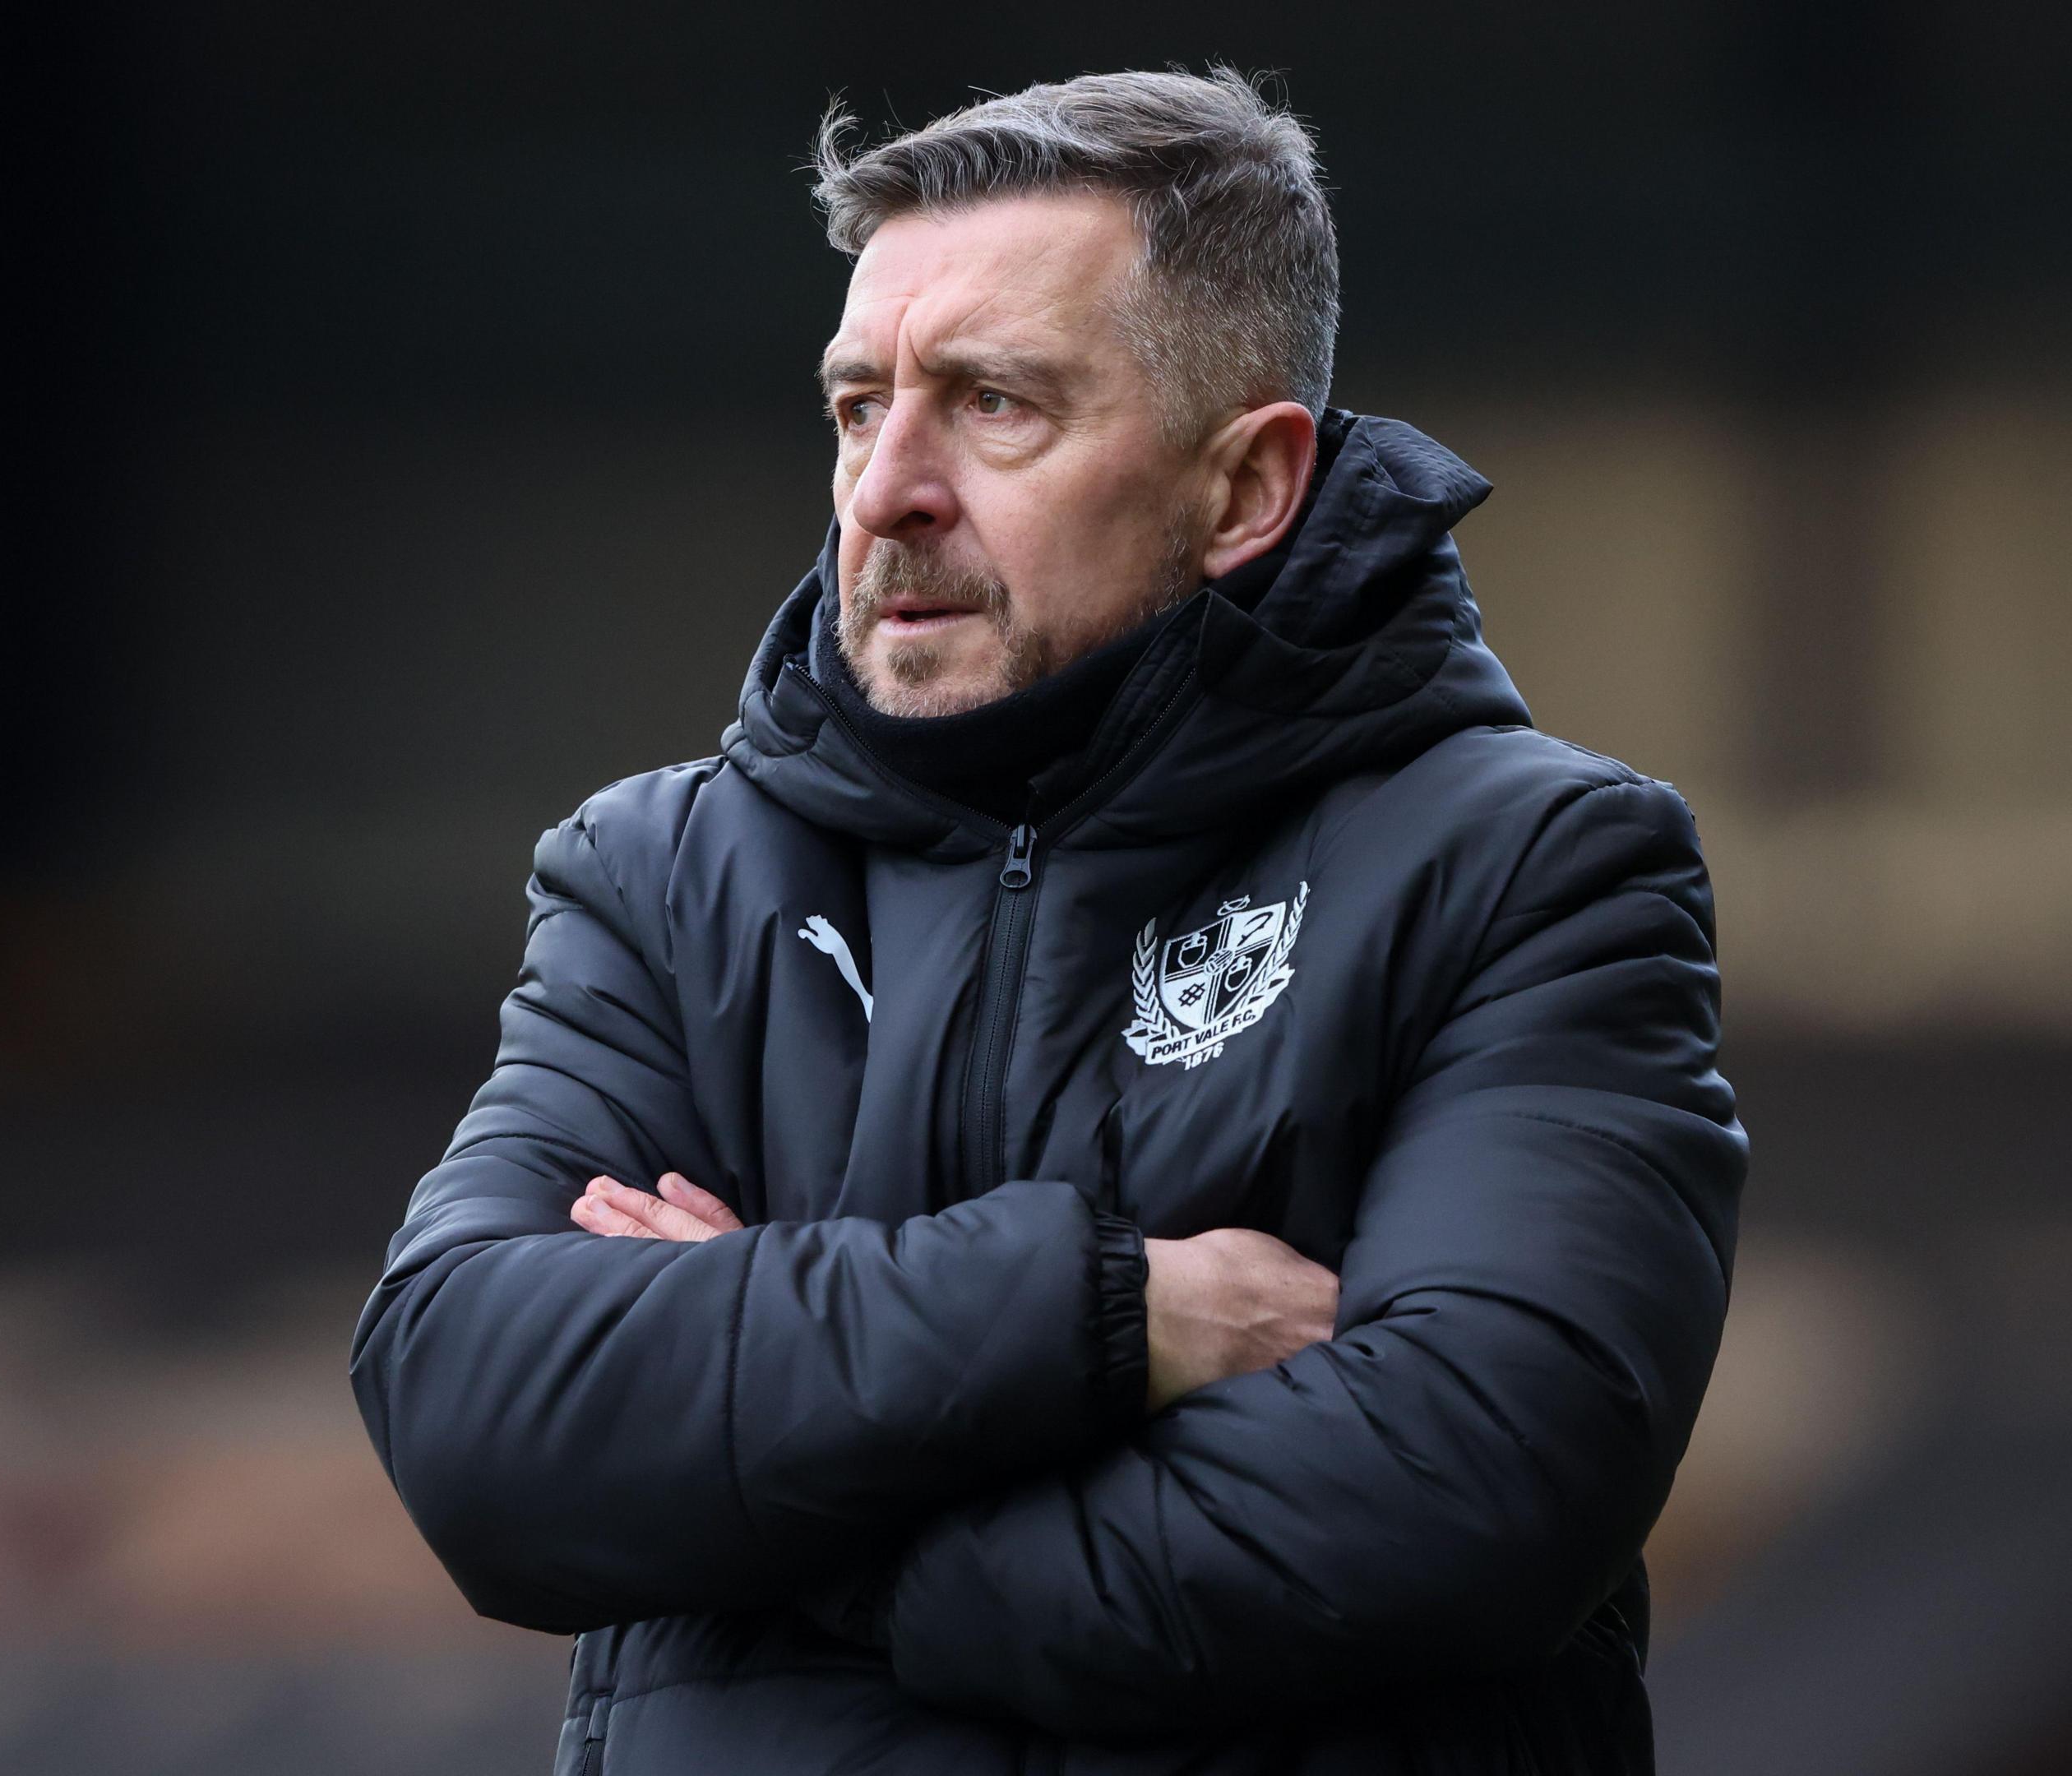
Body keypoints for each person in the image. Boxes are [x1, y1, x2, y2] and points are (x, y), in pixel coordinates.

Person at [349, 67, 1746, 1775]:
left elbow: (1469, 1487)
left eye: (993, 403)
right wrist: (1111, 1318)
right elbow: (474, 1413)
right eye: (861, 406)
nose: (886, 493)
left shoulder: (1529, 868)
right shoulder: (665, 879)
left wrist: (789, 1505)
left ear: (1245, 490)